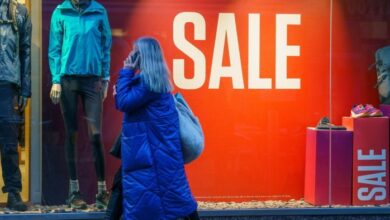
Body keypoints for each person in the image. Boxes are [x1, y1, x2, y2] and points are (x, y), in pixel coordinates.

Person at [114, 37, 200, 220]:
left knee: (175, 196)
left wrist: (126, 72)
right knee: (174, 194)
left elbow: (123, 102)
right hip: (153, 151)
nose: (130, 55)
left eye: (134, 52)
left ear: (142, 56)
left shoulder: (147, 83)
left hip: (152, 153)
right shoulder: (154, 81)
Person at [48, 0, 112, 209]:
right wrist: (56, 80)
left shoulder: (98, 11)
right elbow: (55, 48)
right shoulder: (61, 12)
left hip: (92, 80)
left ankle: (102, 191)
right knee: (72, 134)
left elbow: (106, 46)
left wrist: (105, 78)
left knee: (95, 135)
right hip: (67, 80)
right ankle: (73, 191)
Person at [0, 0, 31, 211]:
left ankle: (13, 191)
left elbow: (26, 50)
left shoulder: (20, 11)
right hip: (10, 82)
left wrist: (25, 89)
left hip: (9, 84)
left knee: (10, 142)